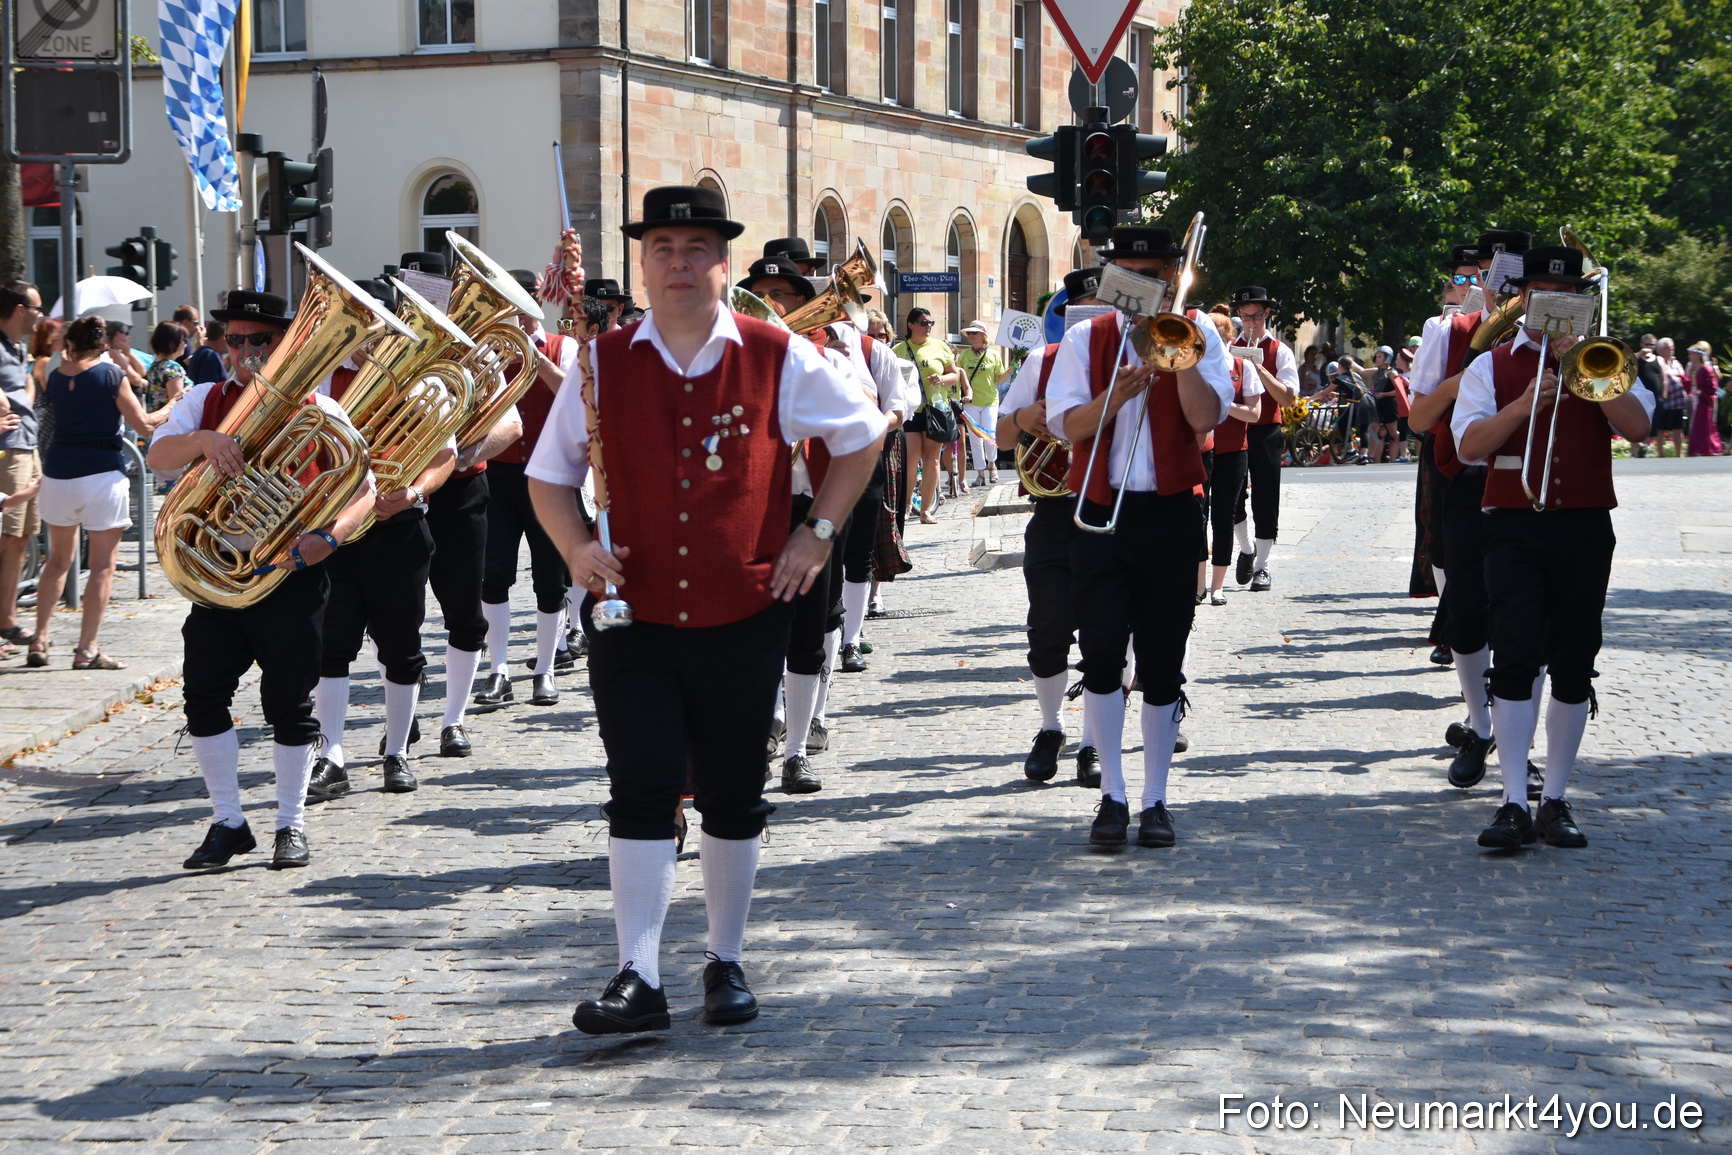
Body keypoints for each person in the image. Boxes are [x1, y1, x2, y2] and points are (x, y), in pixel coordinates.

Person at [526, 184, 885, 1034]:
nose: (678, 263)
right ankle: (637, 975)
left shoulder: (775, 353)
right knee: (641, 785)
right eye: (662, 248)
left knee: (732, 788)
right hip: (630, 614)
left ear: (723, 263)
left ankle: (724, 960)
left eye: (695, 249)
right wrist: (576, 548)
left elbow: (863, 437)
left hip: (743, 609)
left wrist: (818, 533)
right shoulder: (599, 361)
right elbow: (548, 475)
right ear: (642, 263)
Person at [148, 289, 378, 870]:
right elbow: (158, 456)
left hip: (289, 576)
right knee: (201, 696)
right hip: (218, 573)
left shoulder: (322, 411)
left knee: (289, 704)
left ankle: (290, 824)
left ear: (282, 345)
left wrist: (328, 538)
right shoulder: (204, 398)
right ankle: (228, 821)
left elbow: (365, 490)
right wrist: (203, 440)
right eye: (235, 340)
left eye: (259, 341)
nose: (245, 351)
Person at [1453, 243, 1654, 851]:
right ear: (1526, 300)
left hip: (1584, 526)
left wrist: (1587, 372)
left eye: (1568, 298)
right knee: (1514, 655)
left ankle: (1557, 798)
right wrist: (1520, 406)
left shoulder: (1605, 361)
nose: (1554, 306)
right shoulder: (1492, 365)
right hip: (1513, 523)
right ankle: (1513, 799)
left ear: (1582, 305)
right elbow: (1467, 447)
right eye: (1543, 295)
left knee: (1573, 659)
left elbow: (1640, 427)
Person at [1046, 225, 1235, 850]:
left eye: (1150, 275)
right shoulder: (1084, 339)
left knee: (1163, 663)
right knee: (1101, 657)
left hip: (1172, 513)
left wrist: (1174, 356)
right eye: (1127, 275)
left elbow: (1207, 419)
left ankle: (1156, 799)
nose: (1138, 287)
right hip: (1101, 514)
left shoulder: (1198, 335)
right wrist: (1112, 396)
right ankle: (1113, 795)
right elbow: (1066, 426)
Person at [306, 276, 458, 801]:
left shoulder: (421, 382)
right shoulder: (319, 383)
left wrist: (414, 491)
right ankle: (331, 756)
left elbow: (445, 456)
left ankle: (398, 751)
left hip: (398, 530)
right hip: (336, 533)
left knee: (402, 645)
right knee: (331, 647)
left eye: (374, 322)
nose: (366, 335)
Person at [1408, 229, 1535, 785]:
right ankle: (1482, 725)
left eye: (1499, 273)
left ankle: (1515, 738)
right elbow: (1416, 419)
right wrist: (1461, 380)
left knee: (1526, 615)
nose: (1486, 282)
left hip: (1530, 482)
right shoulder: (1448, 329)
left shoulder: (1553, 336)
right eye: (1479, 272)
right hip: (1465, 479)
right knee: (1465, 608)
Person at [993, 269, 1105, 787]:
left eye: (1100, 304)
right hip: (1055, 512)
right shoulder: (1042, 360)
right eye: (1082, 305)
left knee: (1110, 633)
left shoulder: (1130, 360)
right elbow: (1000, 435)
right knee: (1048, 629)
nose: (1091, 312)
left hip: (1112, 508)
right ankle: (1051, 728)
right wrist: (1027, 418)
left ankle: (1094, 742)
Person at [29, 316, 180, 669]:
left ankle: (39, 639)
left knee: (57, 562)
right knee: (101, 568)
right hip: (100, 475)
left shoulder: (54, 376)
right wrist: (173, 406)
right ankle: (86, 650)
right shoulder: (112, 376)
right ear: (103, 344)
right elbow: (143, 424)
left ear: (71, 344)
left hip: (58, 473)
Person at [474, 268, 578, 710]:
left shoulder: (562, 344)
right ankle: (498, 670)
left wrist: (536, 358)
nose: (520, 311)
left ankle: (545, 669)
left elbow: (571, 395)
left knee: (549, 577)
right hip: (497, 474)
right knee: (494, 574)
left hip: (548, 475)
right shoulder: (486, 349)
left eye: (527, 300)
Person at [1229, 287, 1297, 592]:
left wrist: (1259, 369)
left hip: (1267, 428)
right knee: (1231, 496)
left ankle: (1262, 566)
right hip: (1236, 428)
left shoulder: (1280, 350)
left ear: (1266, 314)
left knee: (1266, 497)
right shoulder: (1230, 347)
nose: (1250, 322)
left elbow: (1289, 399)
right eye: (1244, 316)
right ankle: (1246, 548)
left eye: (1255, 315)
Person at [1203, 313, 1265, 604]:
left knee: (1223, 518)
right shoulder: (1195, 366)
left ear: (1229, 338)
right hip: (1201, 449)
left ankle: (1217, 586)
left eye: (1219, 333)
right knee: (1197, 517)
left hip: (1232, 451)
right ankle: (1197, 584)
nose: (1214, 338)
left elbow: (1255, 413)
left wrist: (1224, 403)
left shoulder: (1242, 367)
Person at [0, 283, 46, 649]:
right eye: (37, 308)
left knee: (19, 539)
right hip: (6, 451)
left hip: (25, 445)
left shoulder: (17, 348)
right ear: (19, 309)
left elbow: (21, 390)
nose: (40, 315)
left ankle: (7, 620)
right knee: (5, 537)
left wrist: (24, 396)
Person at [894, 307, 965, 524]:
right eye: (924, 323)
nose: (928, 327)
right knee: (911, 459)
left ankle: (925, 510)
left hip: (935, 408)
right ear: (911, 325)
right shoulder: (898, 350)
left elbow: (956, 375)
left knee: (932, 459)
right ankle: (906, 506)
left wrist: (942, 380)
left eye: (931, 323)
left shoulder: (940, 346)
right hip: (911, 411)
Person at [957, 320, 1008, 486]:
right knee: (975, 438)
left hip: (990, 401)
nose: (970, 336)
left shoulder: (993, 355)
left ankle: (992, 465)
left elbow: (999, 380)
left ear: (983, 335)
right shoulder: (964, 356)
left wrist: (1012, 368)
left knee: (990, 435)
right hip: (970, 402)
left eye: (974, 333)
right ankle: (980, 474)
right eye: (969, 333)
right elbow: (958, 378)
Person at [144, 322, 190, 411]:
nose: (185, 344)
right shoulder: (172, 368)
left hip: (158, 421)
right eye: (183, 340)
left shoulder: (153, 367)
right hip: (173, 422)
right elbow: (177, 404)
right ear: (174, 342)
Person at [1687, 342, 1722, 457]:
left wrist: (1701, 392)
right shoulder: (1694, 368)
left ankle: (1708, 447)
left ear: (1697, 355)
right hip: (1697, 399)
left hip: (1705, 401)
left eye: (1691, 354)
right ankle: (1698, 448)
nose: (1689, 356)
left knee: (1705, 425)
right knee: (1697, 424)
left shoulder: (1705, 369)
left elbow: (1713, 386)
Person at [1367, 346, 1402, 463]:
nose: (1377, 359)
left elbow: (1399, 391)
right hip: (1378, 404)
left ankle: (1403, 452)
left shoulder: (1392, 373)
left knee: (1393, 434)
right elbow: (1362, 371)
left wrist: (1384, 394)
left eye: (1380, 357)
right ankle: (1371, 457)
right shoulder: (1377, 372)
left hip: (1389, 405)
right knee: (1373, 428)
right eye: (1377, 356)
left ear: (1387, 358)